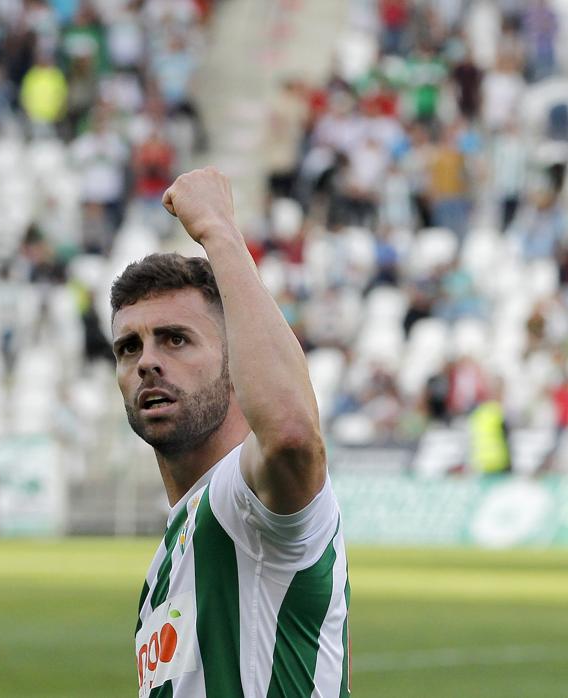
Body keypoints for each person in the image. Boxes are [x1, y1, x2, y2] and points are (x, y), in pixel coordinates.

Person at [116, 168, 348, 696]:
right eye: (129, 347)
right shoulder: (168, 560)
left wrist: (219, 231)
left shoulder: (246, 503)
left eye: (175, 339)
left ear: (234, 364)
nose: (146, 361)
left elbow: (290, 433)